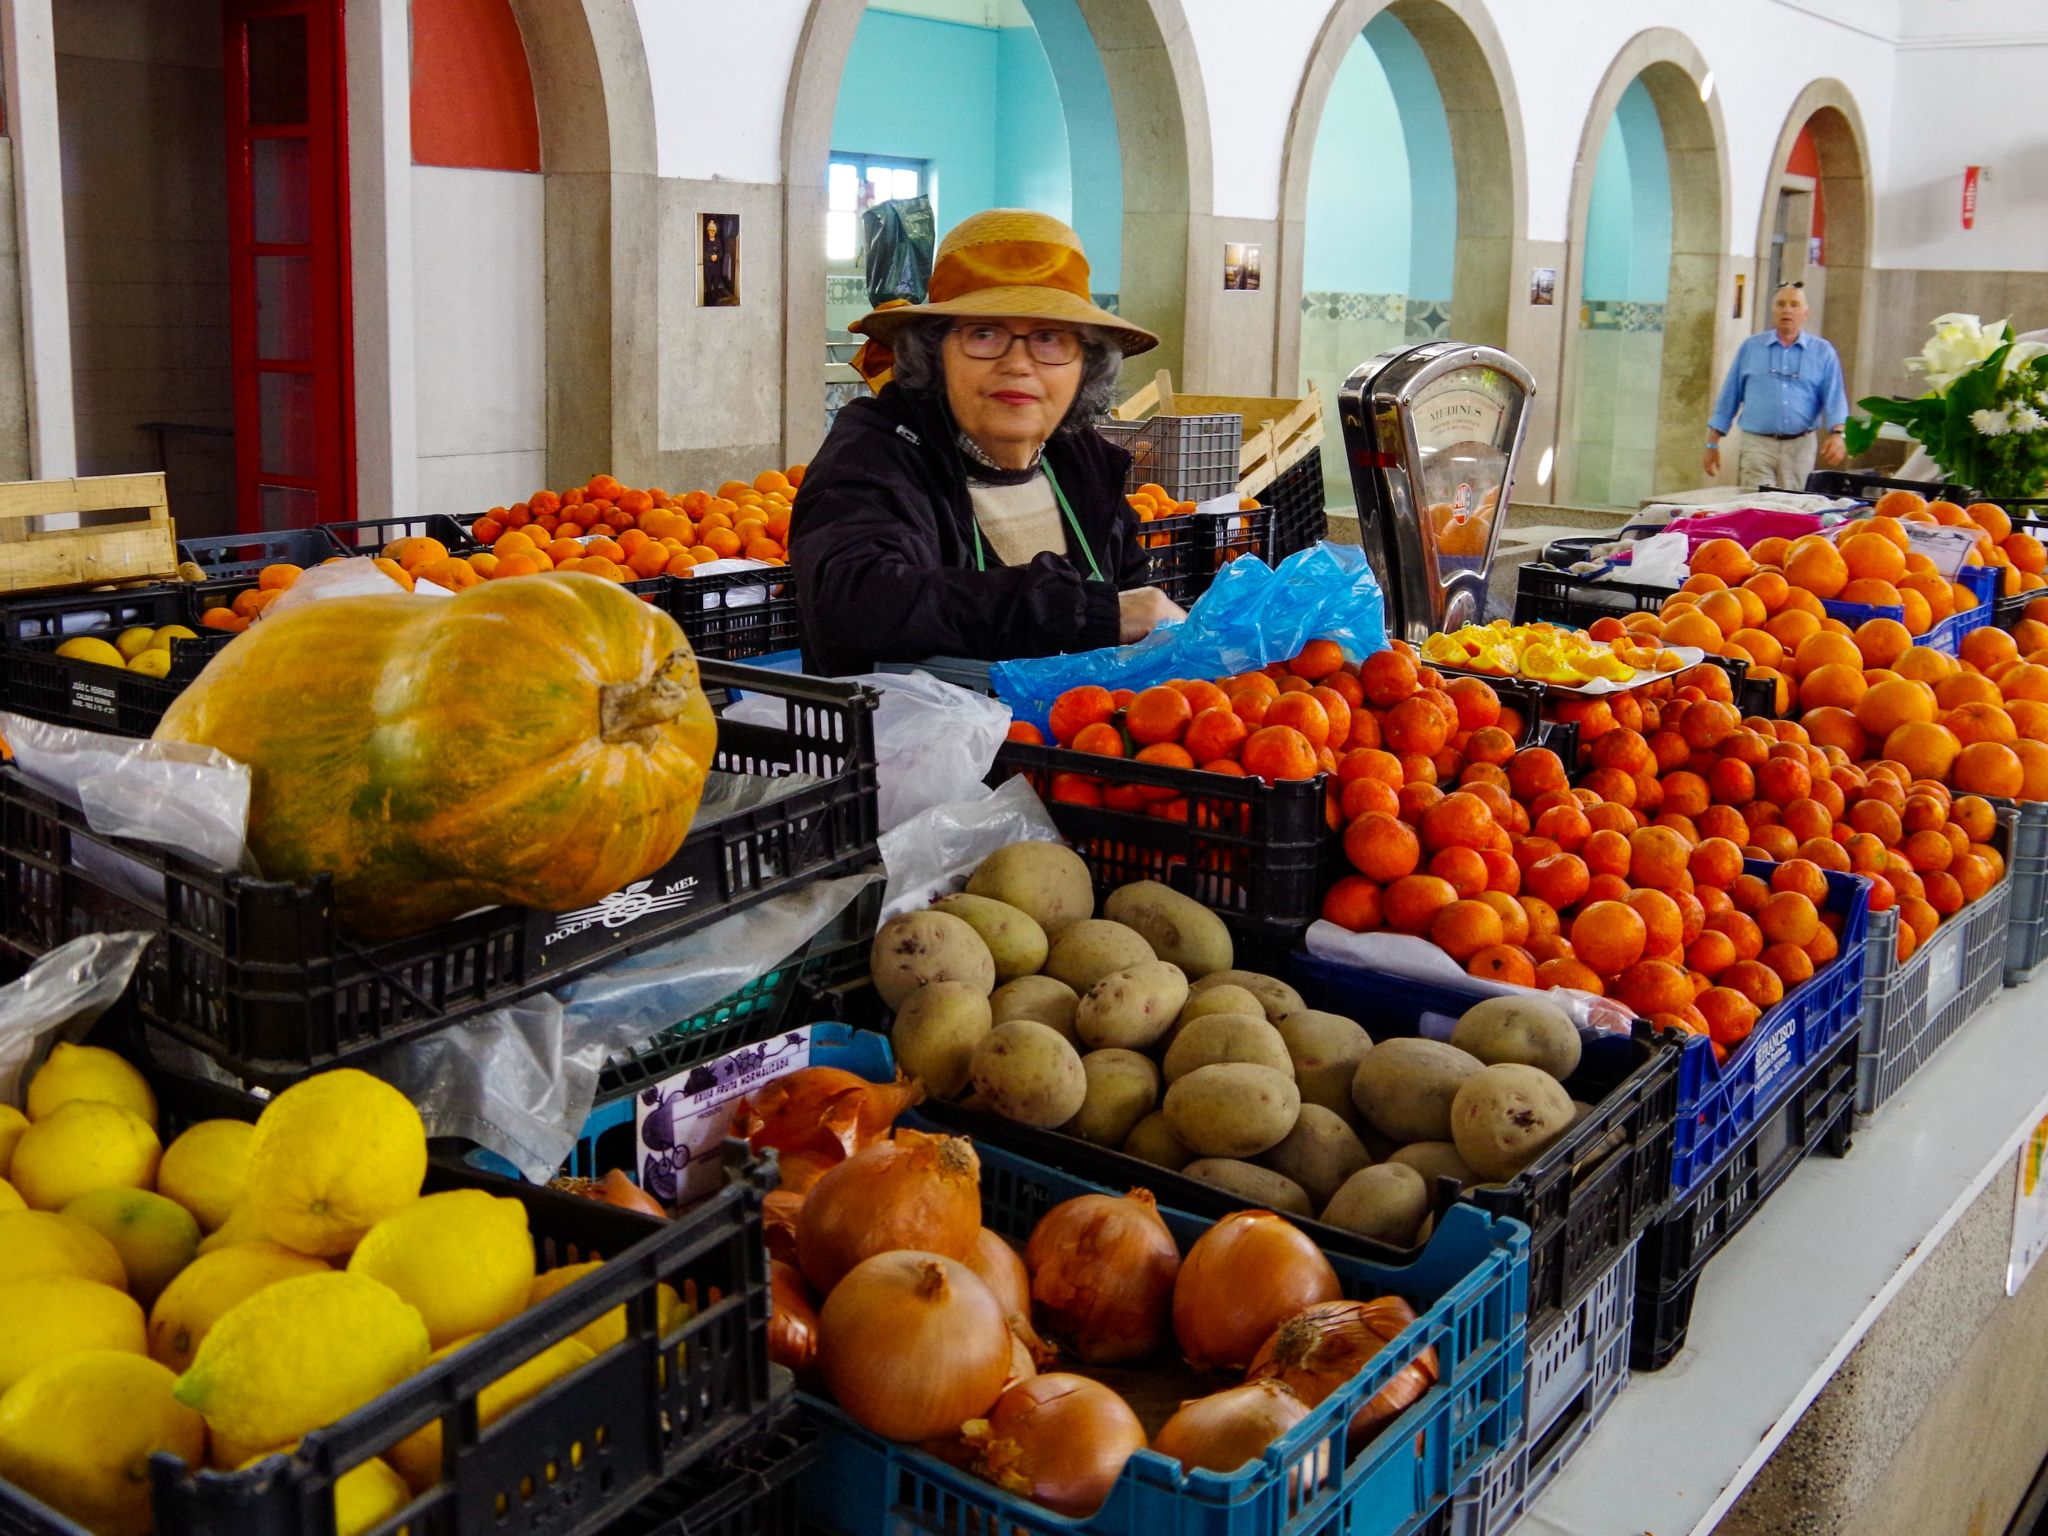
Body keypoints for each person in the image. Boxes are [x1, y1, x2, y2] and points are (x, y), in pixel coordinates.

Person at [790, 209, 1183, 678]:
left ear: (1085, 364)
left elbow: (1132, 611)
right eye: (984, 333)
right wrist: (1087, 613)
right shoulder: (875, 452)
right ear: (935, 352)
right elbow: (861, 598)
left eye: (1050, 338)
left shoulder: (1084, 463)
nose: (1018, 363)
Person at [1703, 283, 1850, 490]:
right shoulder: (1751, 347)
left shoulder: (1823, 352)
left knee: (1791, 506)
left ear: (1805, 312)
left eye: (1794, 304)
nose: (1787, 310)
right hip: (1757, 444)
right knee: (1757, 504)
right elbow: (1729, 396)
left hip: (1800, 445)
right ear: (1773, 310)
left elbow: (1835, 398)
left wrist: (1838, 435)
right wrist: (1712, 443)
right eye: (1781, 304)